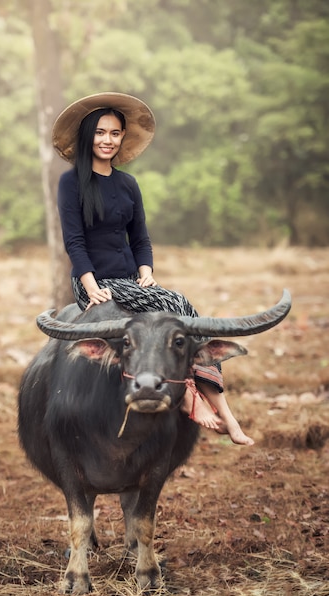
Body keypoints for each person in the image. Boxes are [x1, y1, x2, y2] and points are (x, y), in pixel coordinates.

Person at [52, 92, 254, 446]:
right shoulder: (71, 183)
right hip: (96, 282)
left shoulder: (128, 184)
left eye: (115, 134)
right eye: (100, 133)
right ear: (88, 136)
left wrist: (146, 271)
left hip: (132, 280)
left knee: (182, 311)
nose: (107, 140)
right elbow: (74, 242)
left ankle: (226, 413)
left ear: (122, 139)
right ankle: (192, 400)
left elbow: (141, 238)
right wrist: (90, 283)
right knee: (169, 309)